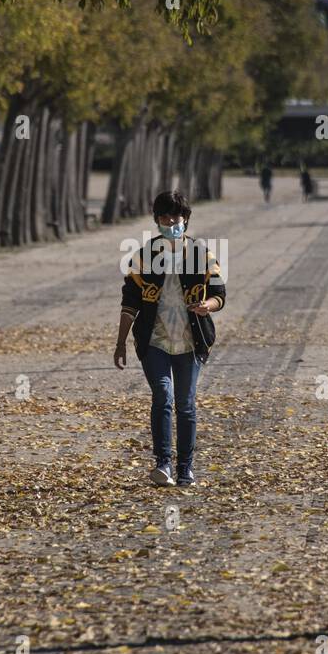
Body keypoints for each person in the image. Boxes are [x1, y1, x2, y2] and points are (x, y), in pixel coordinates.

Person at [115, 191, 226, 487]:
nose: (170, 222)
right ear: (156, 220)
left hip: (191, 341)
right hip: (155, 340)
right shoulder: (144, 256)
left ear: (185, 219)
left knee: (186, 404)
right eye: (164, 217)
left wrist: (207, 306)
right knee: (162, 397)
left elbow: (219, 295)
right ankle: (163, 463)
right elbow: (130, 303)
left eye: (175, 217)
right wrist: (120, 342)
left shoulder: (201, 255)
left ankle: (185, 468)